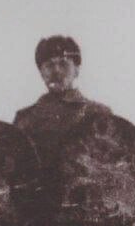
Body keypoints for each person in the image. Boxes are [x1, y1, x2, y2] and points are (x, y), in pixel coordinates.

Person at [13, 35, 112, 183]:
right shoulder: (25, 119)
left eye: (63, 64)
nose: (57, 71)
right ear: (41, 73)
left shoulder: (98, 113)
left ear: (77, 70)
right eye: (49, 65)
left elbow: (109, 169)